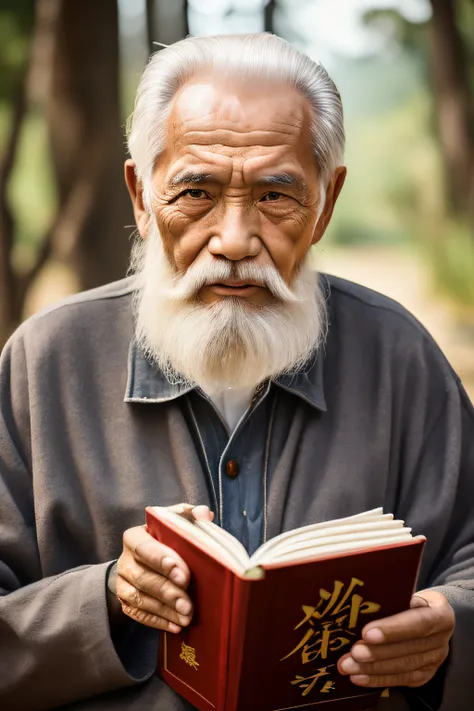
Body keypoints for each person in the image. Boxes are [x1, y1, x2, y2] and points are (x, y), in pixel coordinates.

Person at [0, 33, 472, 711]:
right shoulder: (45, 363)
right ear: (141, 194)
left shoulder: (397, 355)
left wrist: (447, 626)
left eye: (276, 197)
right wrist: (104, 600)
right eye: (196, 191)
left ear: (326, 205)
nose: (234, 240)